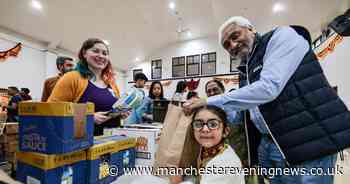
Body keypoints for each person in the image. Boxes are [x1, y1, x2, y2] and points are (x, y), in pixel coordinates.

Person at [184, 16, 350, 184]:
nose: (232, 45)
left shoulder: (281, 37)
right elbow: (244, 114)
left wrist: (209, 101)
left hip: (307, 141)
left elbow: (269, 88)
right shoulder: (245, 69)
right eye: (226, 44)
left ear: (251, 29)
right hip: (268, 144)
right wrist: (205, 116)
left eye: (235, 36)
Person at [48, 38, 128, 136]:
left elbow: (114, 109)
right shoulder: (72, 77)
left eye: (105, 53)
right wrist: (89, 117)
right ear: (84, 53)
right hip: (83, 144)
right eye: (95, 51)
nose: (101, 56)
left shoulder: (111, 83)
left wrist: (120, 114)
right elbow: (52, 109)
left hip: (112, 142)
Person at [189, 105, 244, 184]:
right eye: (198, 124)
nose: (205, 129)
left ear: (225, 131)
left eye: (213, 124)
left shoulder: (225, 163)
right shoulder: (205, 151)